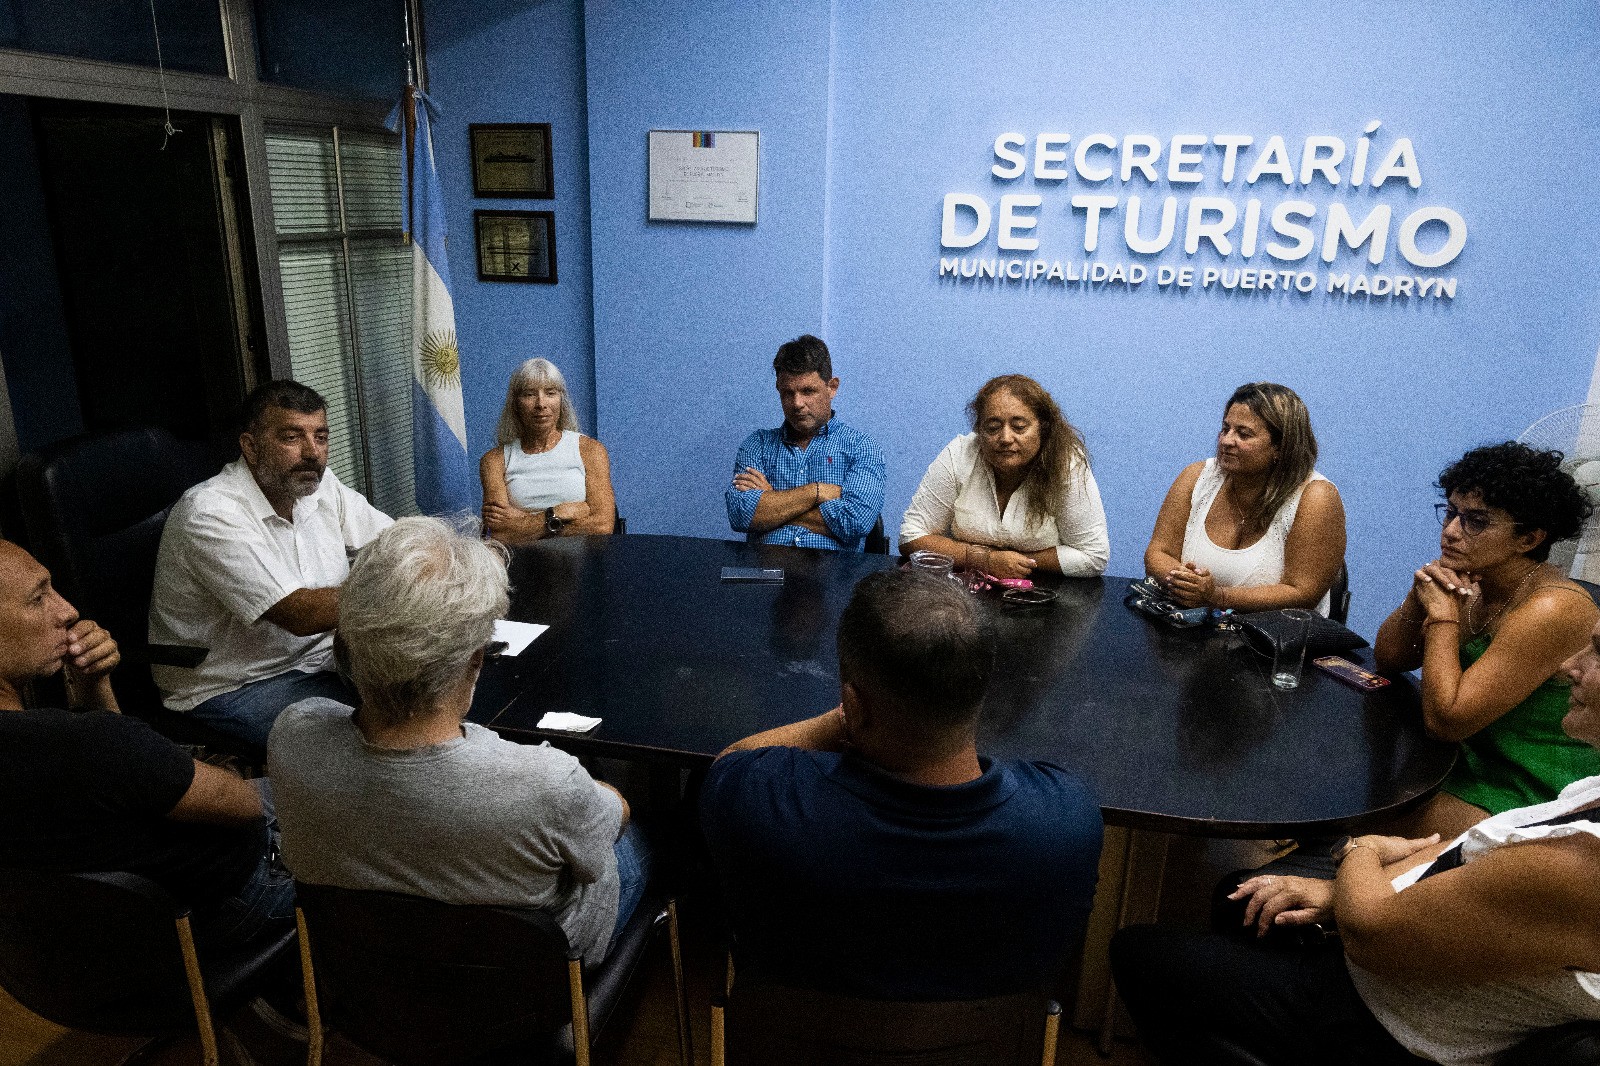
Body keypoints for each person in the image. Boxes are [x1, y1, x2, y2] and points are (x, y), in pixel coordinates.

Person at [1110, 612, 1600, 1066]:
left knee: (1140, 952)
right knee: (1240, 900)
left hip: (1381, 1027)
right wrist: (1334, 893)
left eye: (1596, 651)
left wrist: (1359, 854)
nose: (1569, 667)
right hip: (1391, 981)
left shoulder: (1580, 865)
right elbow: (1465, 849)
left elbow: (1371, 932)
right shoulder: (1591, 793)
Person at [699, 569, 1103, 999]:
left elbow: (730, 763)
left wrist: (846, 719)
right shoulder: (1068, 824)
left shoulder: (762, 807)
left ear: (853, 705)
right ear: (982, 689)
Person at [268, 517, 646, 967]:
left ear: (349, 645)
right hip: (530, 987)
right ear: (474, 663)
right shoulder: (547, 781)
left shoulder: (292, 735)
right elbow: (614, 817)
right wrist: (598, 794)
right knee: (641, 835)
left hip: (368, 976)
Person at [0, 540, 291, 952]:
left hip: (78, 957)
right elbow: (244, 806)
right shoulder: (94, 745)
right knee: (317, 798)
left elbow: (107, 778)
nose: (66, 610)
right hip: (216, 915)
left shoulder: (83, 747)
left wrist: (92, 684)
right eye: (38, 597)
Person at [149, 380, 392, 751]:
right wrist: (406, 589)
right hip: (237, 685)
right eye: (292, 438)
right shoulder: (209, 513)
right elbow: (300, 614)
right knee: (372, 746)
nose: (312, 453)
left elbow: (396, 543)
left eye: (321, 437)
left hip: (322, 660)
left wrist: (447, 557)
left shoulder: (320, 487)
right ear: (250, 446)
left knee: (431, 700)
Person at [1374, 442, 1600, 839]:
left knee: (1362, 810)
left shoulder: (1552, 608)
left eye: (1475, 521)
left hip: (1525, 787)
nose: (1450, 532)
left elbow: (1447, 723)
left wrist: (1443, 617)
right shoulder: (1475, 582)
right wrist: (1418, 595)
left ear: (1529, 539)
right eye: (1452, 513)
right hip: (1460, 764)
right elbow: (1390, 657)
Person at [1144, 381, 1345, 613]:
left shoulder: (1316, 498)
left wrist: (1217, 596)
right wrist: (1183, 582)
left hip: (1273, 645)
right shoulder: (1196, 477)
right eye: (1225, 428)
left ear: (1280, 447)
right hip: (1190, 634)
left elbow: (1302, 594)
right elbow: (1159, 552)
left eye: (1244, 434)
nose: (1227, 441)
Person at [901, 373, 1109, 577]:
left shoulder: (1067, 463)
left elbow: (1093, 556)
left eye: (1019, 427)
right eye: (992, 428)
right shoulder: (960, 454)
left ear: (1042, 428)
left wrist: (1017, 562)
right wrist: (986, 561)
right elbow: (911, 535)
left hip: (1046, 594)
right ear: (979, 431)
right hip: (963, 590)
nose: (1005, 438)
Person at [726, 334, 886, 551]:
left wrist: (772, 500)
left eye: (808, 391)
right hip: (765, 575)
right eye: (787, 393)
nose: (797, 403)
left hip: (833, 577)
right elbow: (740, 515)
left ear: (832, 387)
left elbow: (855, 522)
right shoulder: (757, 444)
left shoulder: (862, 448)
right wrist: (816, 492)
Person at [480, 357, 617, 545]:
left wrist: (522, 521)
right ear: (515, 404)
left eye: (550, 393)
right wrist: (558, 513)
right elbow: (500, 534)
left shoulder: (590, 450)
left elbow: (602, 525)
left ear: (561, 401)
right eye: (529, 394)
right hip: (521, 566)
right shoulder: (494, 460)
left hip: (584, 565)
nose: (541, 404)